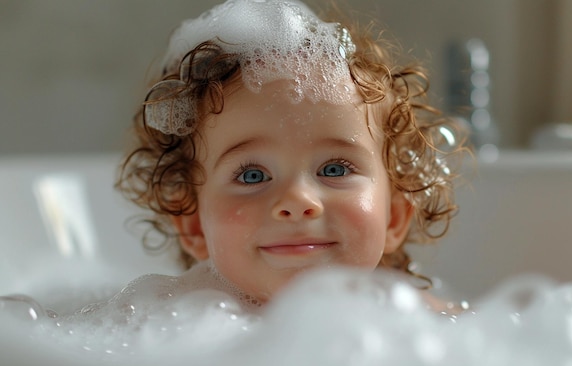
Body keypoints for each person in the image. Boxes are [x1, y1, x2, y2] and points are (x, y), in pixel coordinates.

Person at [117, 0, 465, 308]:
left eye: (334, 169)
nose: (298, 199)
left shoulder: (417, 320)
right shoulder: (174, 330)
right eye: (252, 175)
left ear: (394, 218)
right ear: (194, 225)